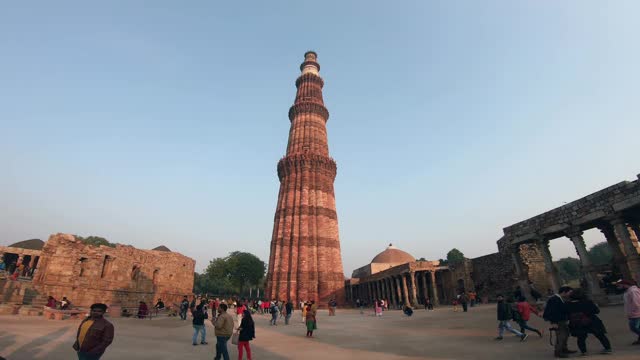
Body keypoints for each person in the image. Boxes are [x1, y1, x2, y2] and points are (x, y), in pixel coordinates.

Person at [566, 289, 612, 355]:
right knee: (600, 335)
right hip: (591, 321)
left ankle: (583, 351)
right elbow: (597, 311)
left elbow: (567, 315)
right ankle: (608, 348)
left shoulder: (568, 304)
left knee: (581, 338)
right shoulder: (587, 302)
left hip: (577, 323)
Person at [543, 286, 576, 358]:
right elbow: (551, 312)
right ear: (564, 292)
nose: (570, 294)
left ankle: (564, 349)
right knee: (561, 336)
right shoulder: (554, 299)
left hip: (562, 320)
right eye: (569, 293)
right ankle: (558, 352)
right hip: (558, 321)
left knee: (566, 335)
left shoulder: (559, 299)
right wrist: (553, 322)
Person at [616, 279, 640, 344]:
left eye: (620, 285)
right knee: (635, 327)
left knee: (634, 327)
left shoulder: (633, 291)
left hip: (636, 314)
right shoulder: (628, 291)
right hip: (633, 313)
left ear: (625, 284)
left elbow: (637, 303)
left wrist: (633, 311)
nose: (619, 287)